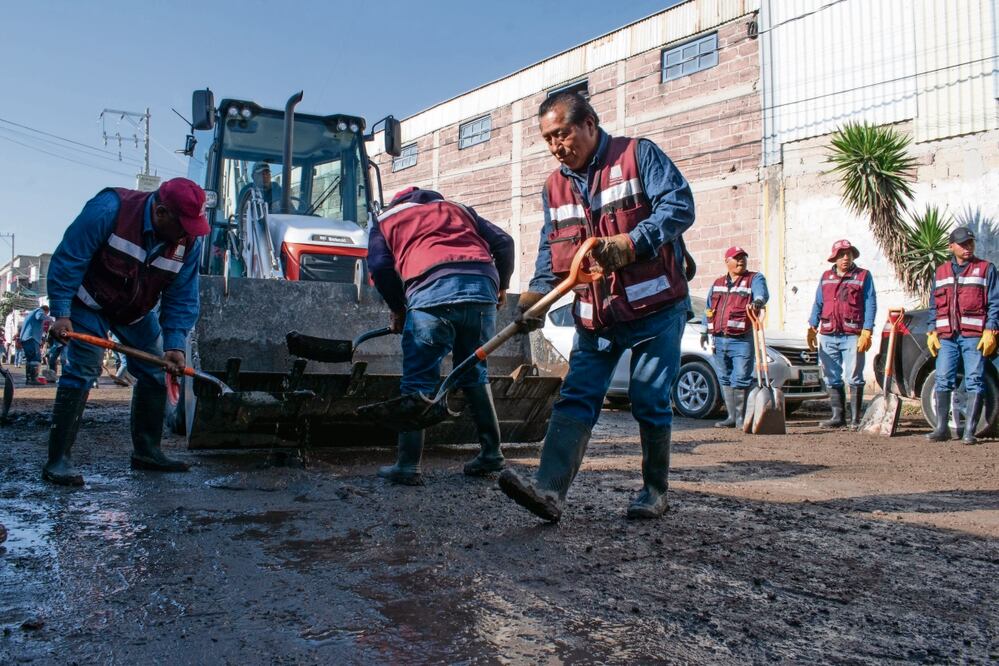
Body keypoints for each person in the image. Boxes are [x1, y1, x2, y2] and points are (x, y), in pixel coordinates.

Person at [498, 91, 695, 522]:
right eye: (547, 138)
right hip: (597, 316)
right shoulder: (554, 186)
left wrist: (630, 243)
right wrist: (536, 295)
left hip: (657, 309)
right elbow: (552, 248)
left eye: (562, 133)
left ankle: (655, 491)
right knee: (577, 397)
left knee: (648, 397)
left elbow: (679, 206)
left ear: (590, 124)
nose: (555, 146)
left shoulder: (637, 155)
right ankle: (548, 492)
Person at [42, 178, 210, 486]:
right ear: (160, 212)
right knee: (83, 367)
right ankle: (58, 461)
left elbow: (183, 295)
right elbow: (69, 258)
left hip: (136, 311)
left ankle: (147, 451)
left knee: (156, 369)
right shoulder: (110, 210)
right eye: (183, 224)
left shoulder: (189, 243)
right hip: (88, 302)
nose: (188, 232)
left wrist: (175, 344)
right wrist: (62, 312)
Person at [367, 186, 515, 485]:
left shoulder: (386, 219)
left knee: (418, 381)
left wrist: (399, 309)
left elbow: (381, 267)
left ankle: (407, 466)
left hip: (432, 294)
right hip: (481, 292)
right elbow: (504, 242)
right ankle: (492, 452)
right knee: (474, 371)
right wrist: (502, 285)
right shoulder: (458, 208)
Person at [925, 226, 999, 444]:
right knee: (942, 379)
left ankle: (969, 432)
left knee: (975, 380)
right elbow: (933, 305)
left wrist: (991, 328)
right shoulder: (940, 272)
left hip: (973, 335)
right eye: (963, 244)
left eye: (971, 243)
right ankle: (941, 429)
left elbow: (994, 302)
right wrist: (932, 329)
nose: (968, 247)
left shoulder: (986, 269)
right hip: (947, 336)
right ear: (951, 247)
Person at [807, 239, 877, 430]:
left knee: (854, 376)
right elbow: (818, 303)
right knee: (831, 377)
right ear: (834, 257)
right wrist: (812, 327)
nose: (845, 258)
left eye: (849, 254)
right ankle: (838, 417)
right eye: (841, 255)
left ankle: (855, 419)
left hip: (852, 333)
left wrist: (867, 330)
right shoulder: (826, 277)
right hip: (828, 333)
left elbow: (870, 303)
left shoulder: (863, 276)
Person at [701, 247, 769, 428]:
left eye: (743, 258)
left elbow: (761, 293)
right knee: (724, 377)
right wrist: (703, 331)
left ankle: (741, 419)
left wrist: (758, 301)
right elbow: (708, 308)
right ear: (726, 262)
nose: (741, 261)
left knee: (740, 377)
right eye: (736, 258)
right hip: (719, 339)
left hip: (742, 339)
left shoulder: (754, 278)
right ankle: (731, 417)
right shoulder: (718, 283)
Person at [18, 305, 52, 385]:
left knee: (30, 359)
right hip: (31, 338)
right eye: (46, 314)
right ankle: (33, 379)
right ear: (45, 311)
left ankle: (29, 379)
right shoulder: (38, 311)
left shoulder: (31, 313)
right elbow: (39, 316)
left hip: (27, 338)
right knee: (35, 358)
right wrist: (51, 320)